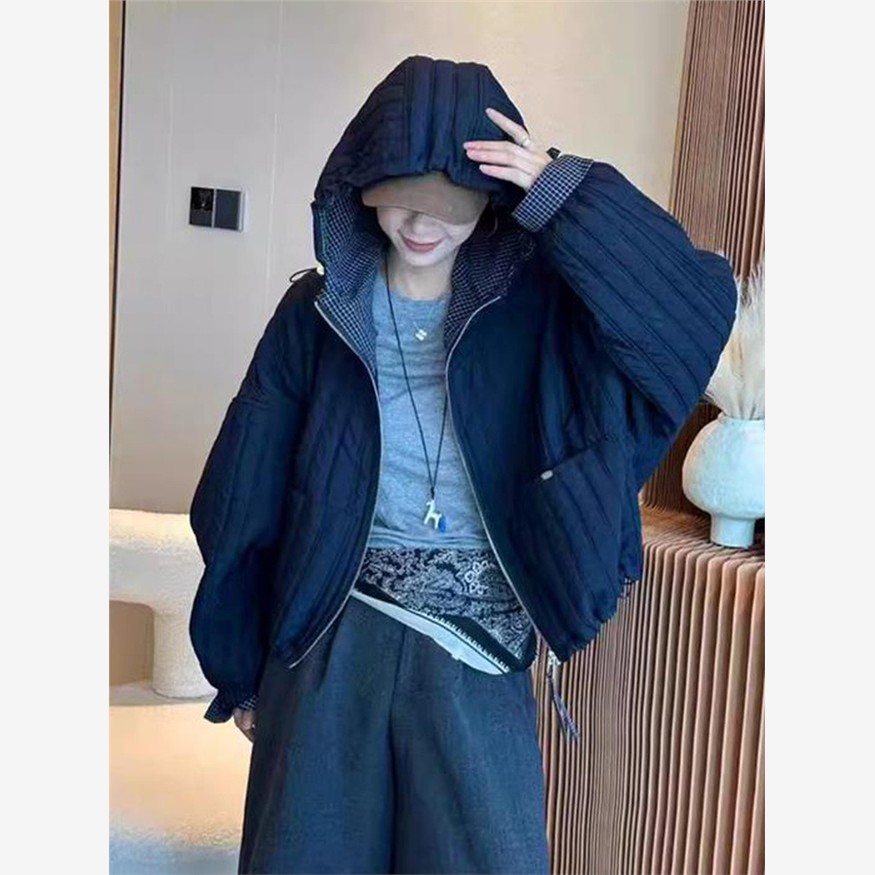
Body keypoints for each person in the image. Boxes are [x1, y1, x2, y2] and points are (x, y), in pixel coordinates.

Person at [188, 54, 737, 874]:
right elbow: (244, 491)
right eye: (403, 197)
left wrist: (559, 191)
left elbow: (689, 316)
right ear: (362, 185)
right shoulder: (315, 314)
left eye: (451, 202)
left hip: (476, 647)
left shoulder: (540, 314)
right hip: (332, 630)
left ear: (491, 199)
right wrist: (239, 667)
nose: (423, 223)